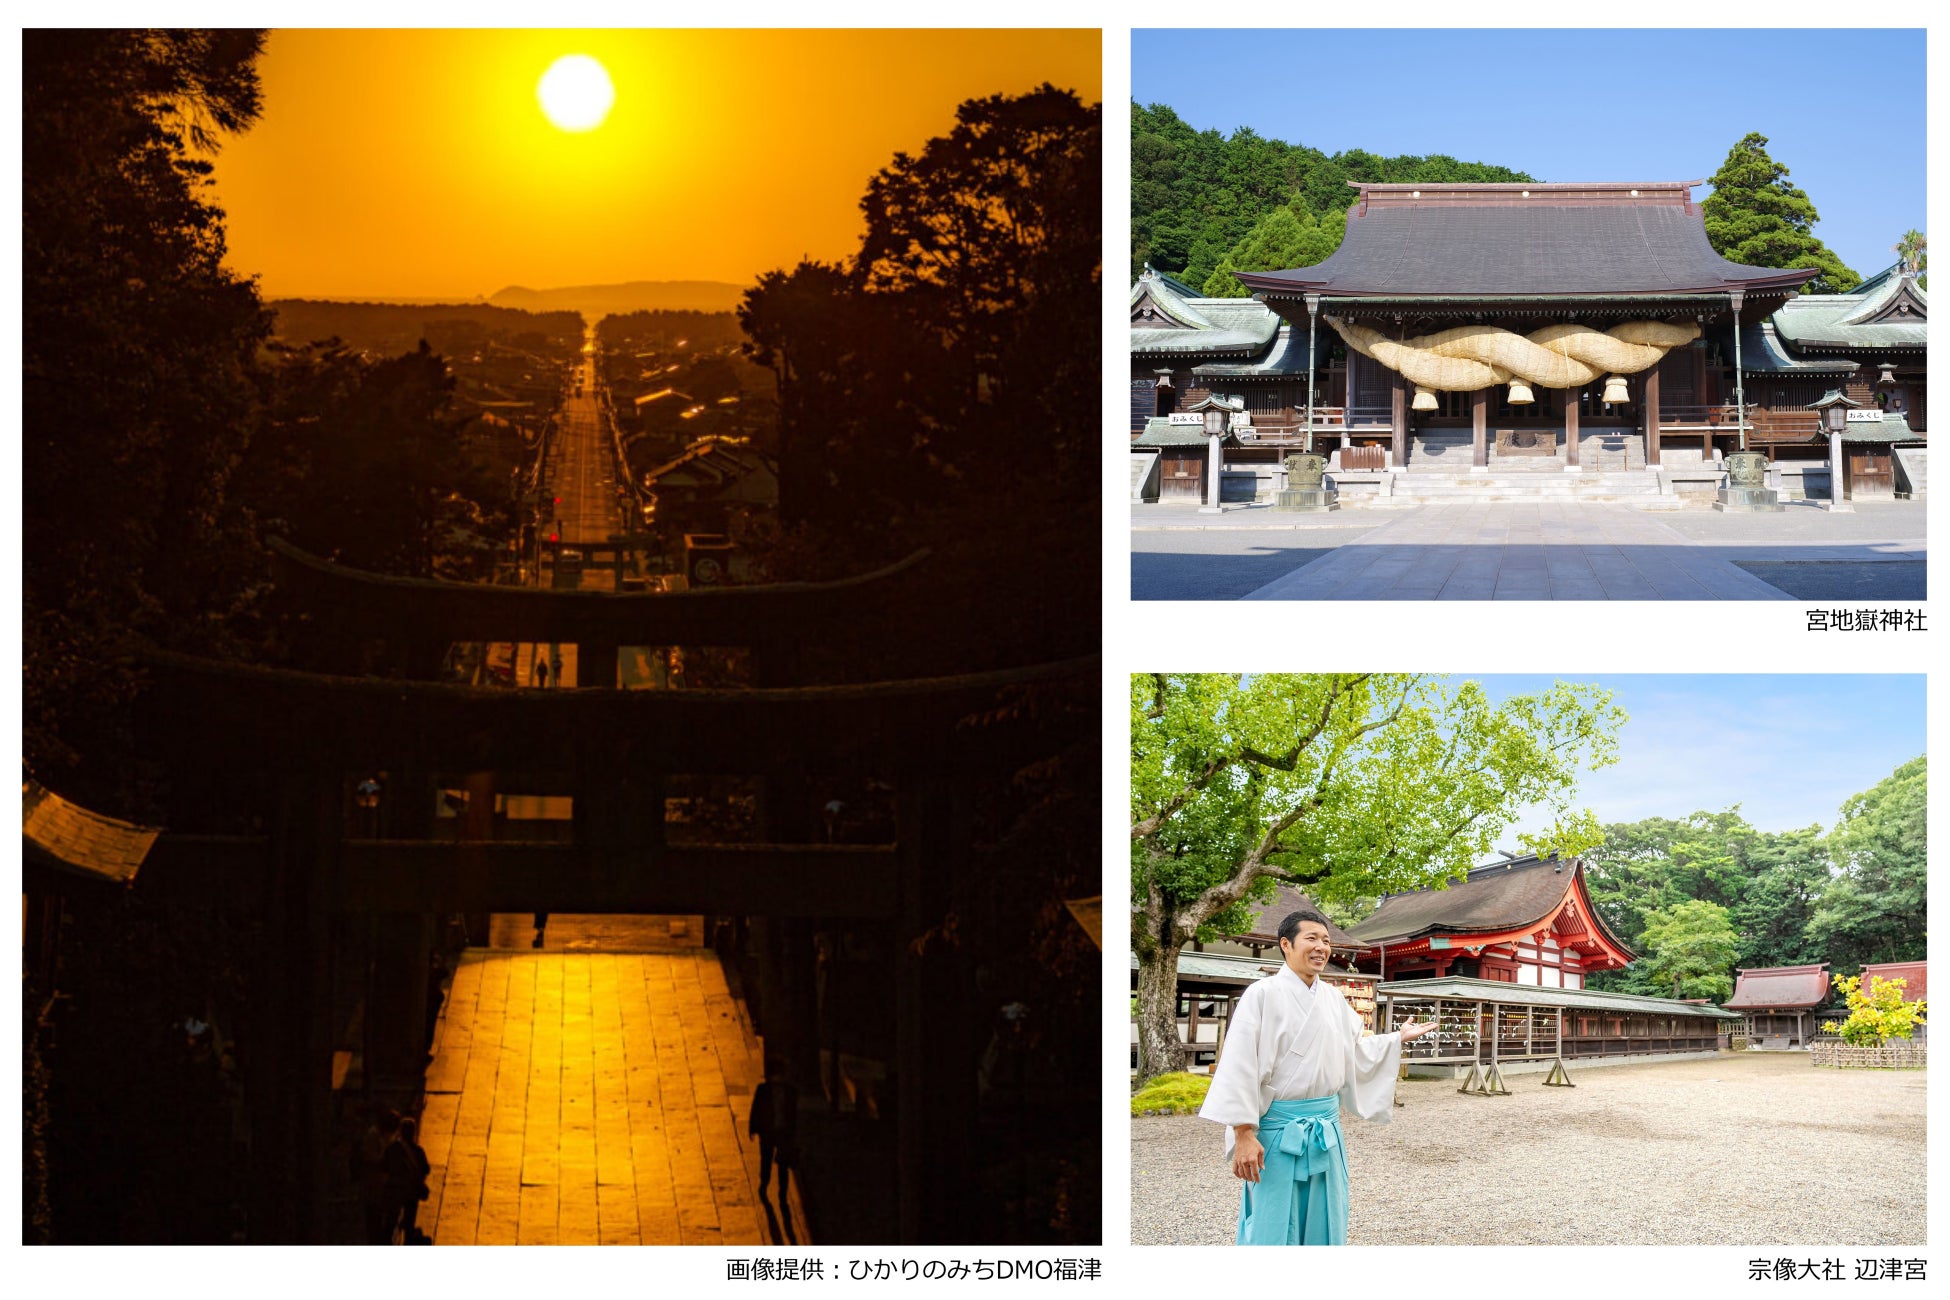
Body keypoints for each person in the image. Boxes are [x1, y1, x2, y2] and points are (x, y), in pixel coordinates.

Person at [1198, 909, 1434, 1245]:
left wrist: (1396, 1039)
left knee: (1327, 1219)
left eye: (1326, 940)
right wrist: (1243, 1133)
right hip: (1277, 1134)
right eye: (1311, 938)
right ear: (1286, 944)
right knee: (1272, 1222)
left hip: (1325, 1132)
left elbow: (1353, 1050)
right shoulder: (1261, 994)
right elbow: (1239, 1065)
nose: (1321, 947)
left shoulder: (1333, 998)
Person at [749, 1059, 800, 1202]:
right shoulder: (763, 1090)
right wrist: (753, 1128)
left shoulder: (791, 1092)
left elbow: (794, 1114)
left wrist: (793, 1133)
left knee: (783, 1163)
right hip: (768, 1131)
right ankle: (764, 1183)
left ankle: (782, 1191)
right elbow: (756, 1109)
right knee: (766, 1160)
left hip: (784, 1132)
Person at [383, 1115, 432, 1244]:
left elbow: (384, 1165)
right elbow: (426, 1169)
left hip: (395, 1190)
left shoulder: (393, 1148)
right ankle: (408, 1241)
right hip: (411, 1191)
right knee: (409, 1221)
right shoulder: (418, 1151)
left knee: (391, 1221)